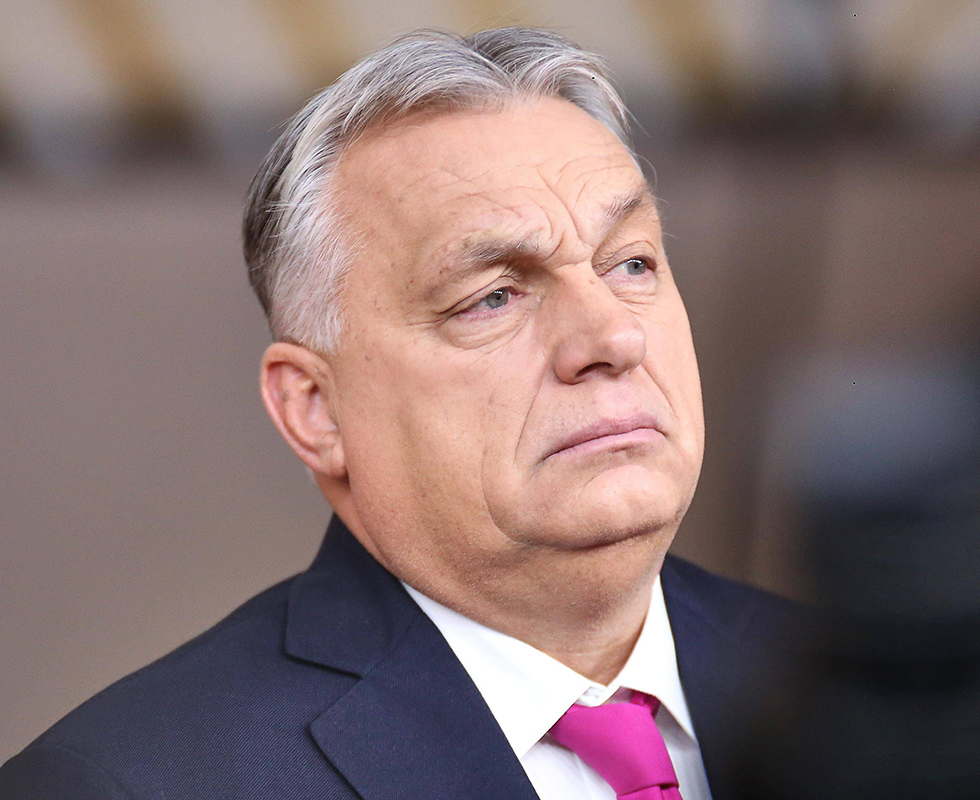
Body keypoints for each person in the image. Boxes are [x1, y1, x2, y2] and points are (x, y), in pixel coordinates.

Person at [0, 28, 805, 800]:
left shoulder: (850, 684)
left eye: (630, 263)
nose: (612, 338)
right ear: (316, 411)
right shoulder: (129, 784)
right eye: (493, 297)